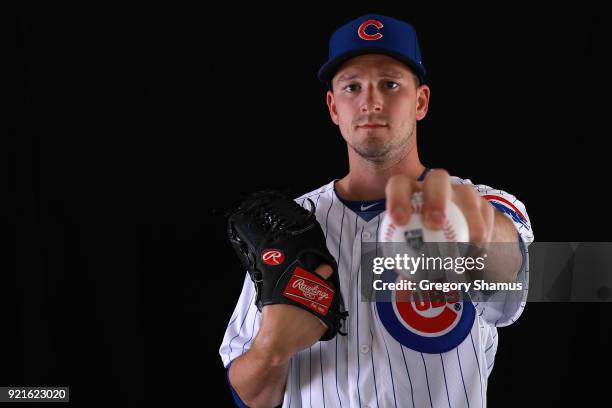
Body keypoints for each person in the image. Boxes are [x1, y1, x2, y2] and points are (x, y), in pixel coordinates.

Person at [220, 14, 534, 408]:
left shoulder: (481, 204)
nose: (371, 101)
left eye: (390, 84)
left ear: (420, 101)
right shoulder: (286, 226)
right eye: (353, 86)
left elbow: (508, 276)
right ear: (334, 108)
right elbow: (249, 396)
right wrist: (271, 348)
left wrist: (478, 234)